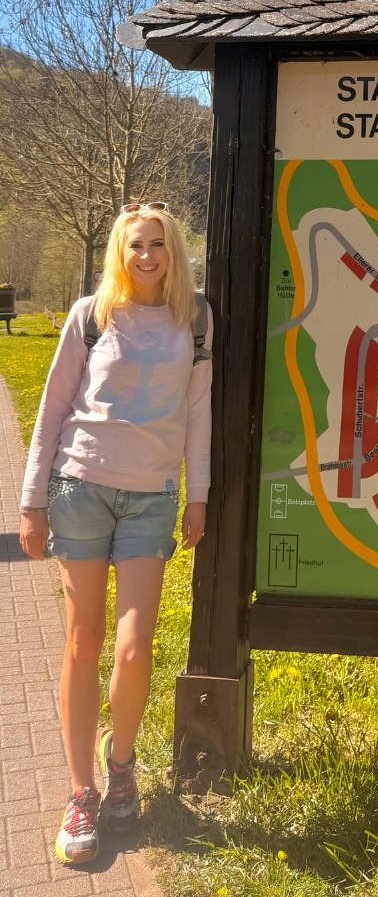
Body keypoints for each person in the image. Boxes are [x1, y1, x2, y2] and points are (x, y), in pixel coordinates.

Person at [16, 203, 210, 865]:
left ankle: (120, 762)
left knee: (133, 649)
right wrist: (31, 502)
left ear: (173, 251)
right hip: (80, 490)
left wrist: (198, 495)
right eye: (135, 246)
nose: (147, 256)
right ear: (119, 255)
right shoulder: (90, 316)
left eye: (157, 244)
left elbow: (198, 412)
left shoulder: (195, 320)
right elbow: (52, 410)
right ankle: (82, 792)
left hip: (151, 499)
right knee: (83, 640)